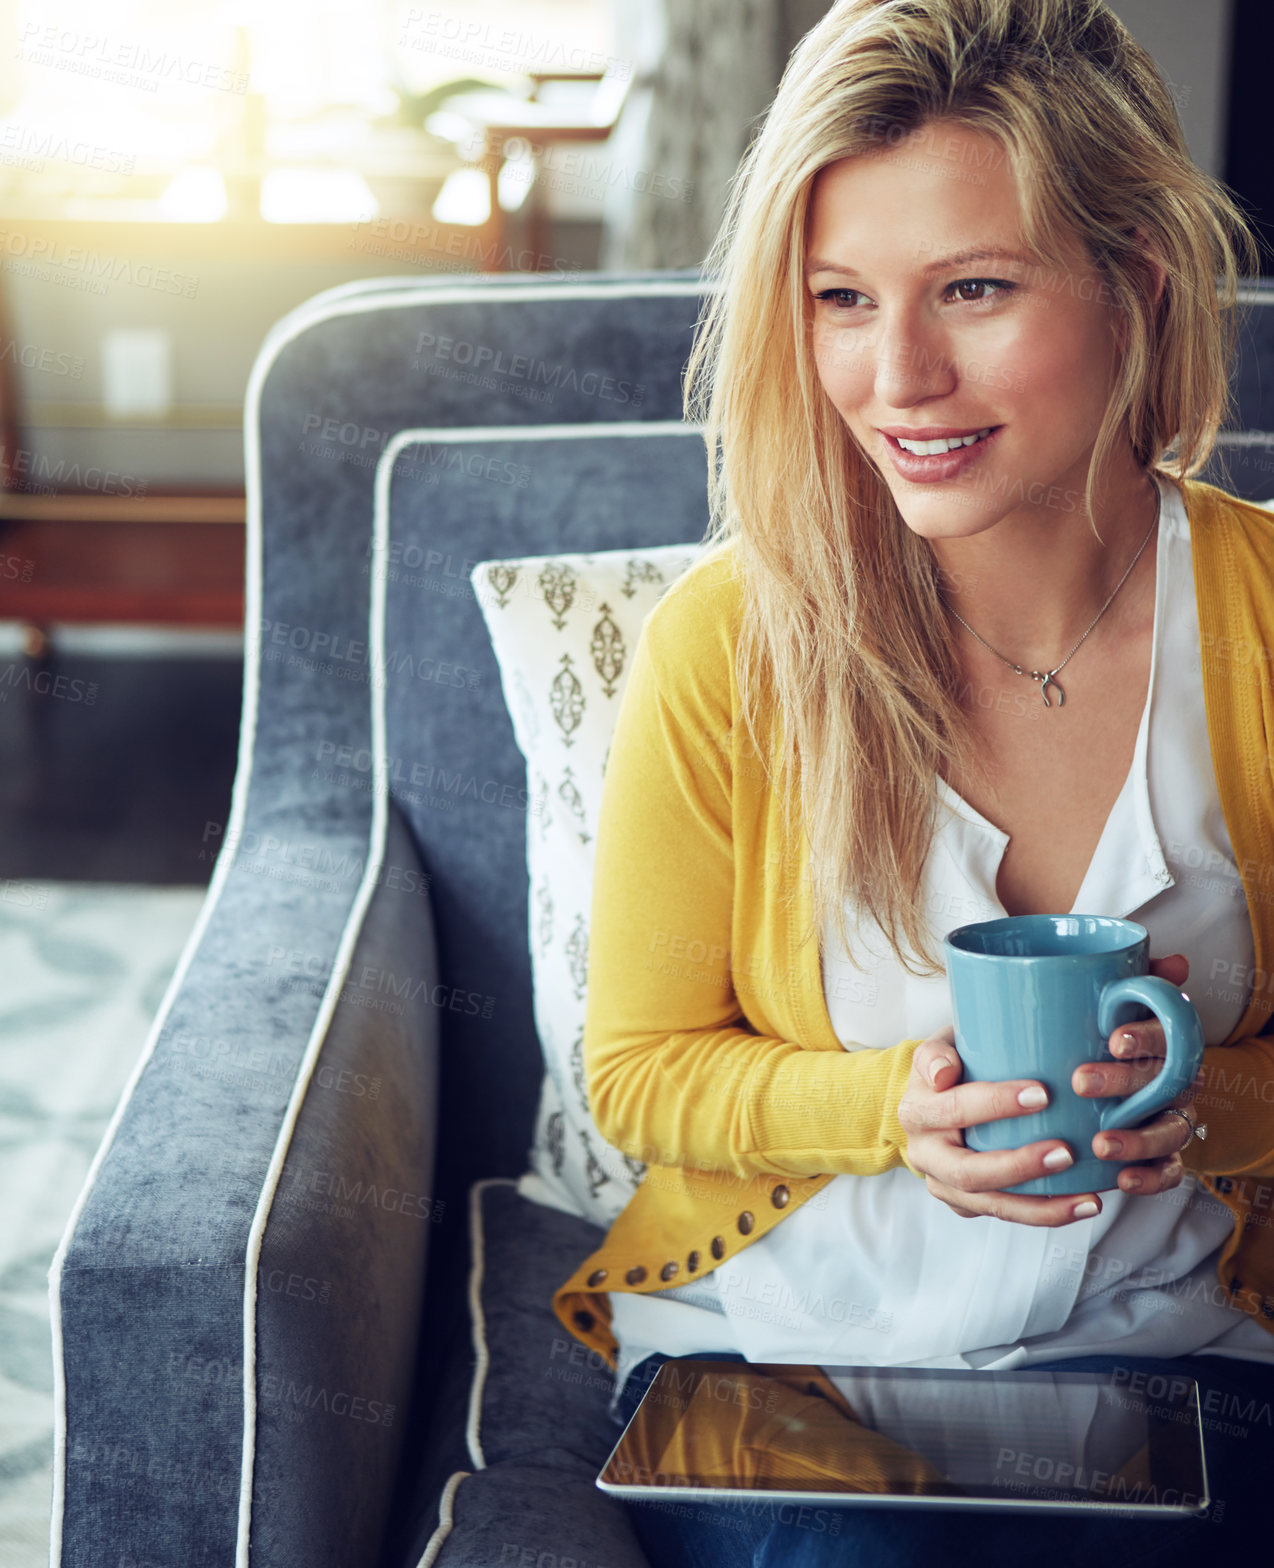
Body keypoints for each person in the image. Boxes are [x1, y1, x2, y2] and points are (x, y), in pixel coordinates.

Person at [551, 0, 1274, 1561]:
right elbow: (637, 1069)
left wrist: (1188, 1106)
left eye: (973, 288)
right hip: (793, 1359)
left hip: (1188, 1351)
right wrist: (903, 1108)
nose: (897, 377)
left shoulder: (1262, 621)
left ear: (1132, 285)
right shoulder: (728, 648)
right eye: (838, 298)